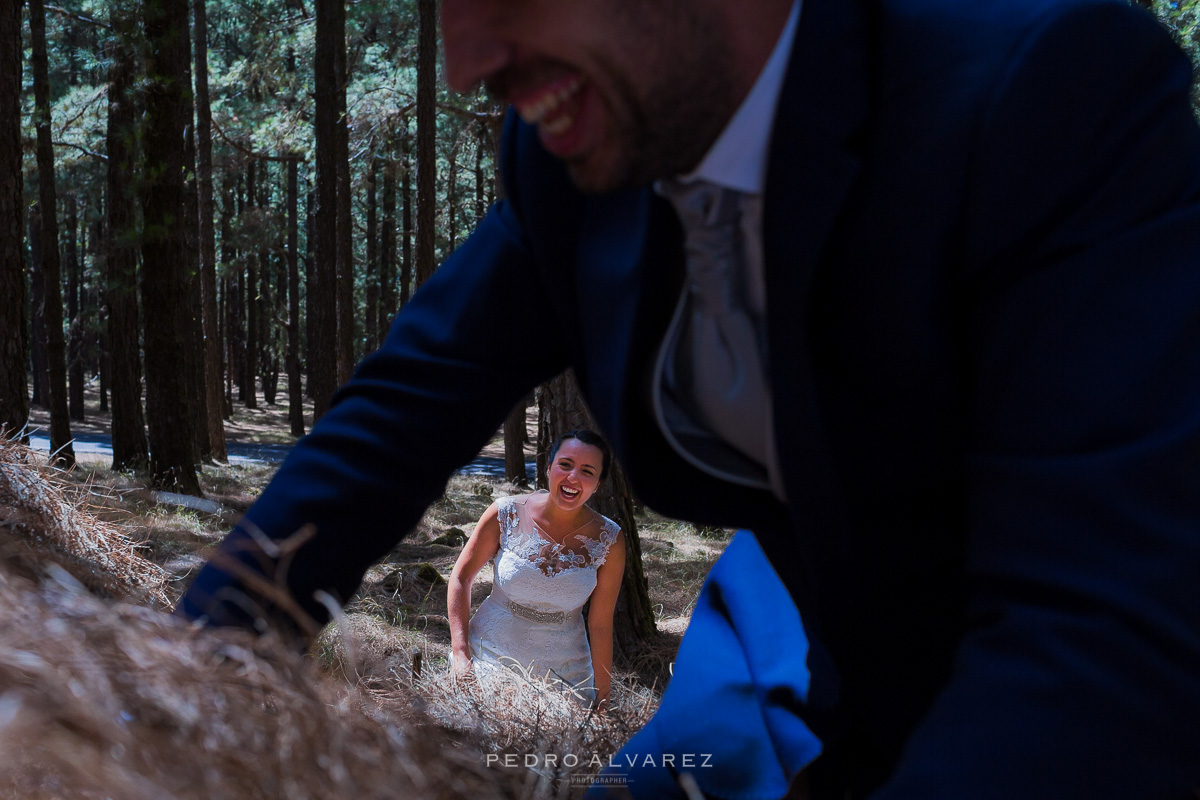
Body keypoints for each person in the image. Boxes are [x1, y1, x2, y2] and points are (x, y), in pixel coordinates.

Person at [178, 0, 1200, 796]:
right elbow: (391, 425)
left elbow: (1107, 632)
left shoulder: (1049, 86)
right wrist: (170, 690)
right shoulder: (573, 159)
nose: (467, 64)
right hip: (811, 672)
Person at [447, 429, 625, 709]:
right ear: (549, 467)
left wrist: (603, 698)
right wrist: (460, 654)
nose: (573, 478)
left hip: (566, 673)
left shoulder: (609, 540)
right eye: (565, 465)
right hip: (489, 655)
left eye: (587, 471)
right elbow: (461, 577)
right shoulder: (505, 513)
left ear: (598, 484)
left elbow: (601, 624)